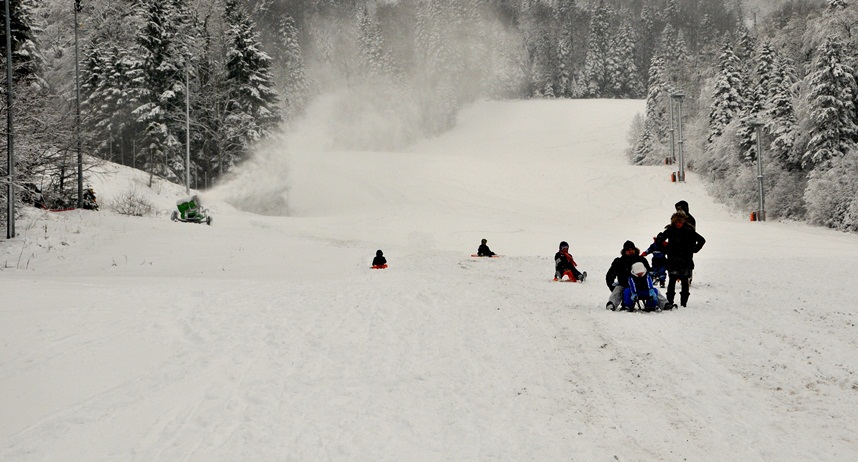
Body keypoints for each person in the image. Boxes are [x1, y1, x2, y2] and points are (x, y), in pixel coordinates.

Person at [605, 240, 669, 311]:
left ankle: (665, 304)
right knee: (618, 289)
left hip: (641, 284)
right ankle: (611, 304)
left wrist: (649, 278)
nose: (630, 251)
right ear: (624, 251)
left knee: (654, 291)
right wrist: (611, 286)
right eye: (628, 250)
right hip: (625, 284)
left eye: (632, 249)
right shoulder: (619, 261)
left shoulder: (641, 260)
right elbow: (610, 275)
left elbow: (648, 272)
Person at [662, 213, 706, 307]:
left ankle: (683, 303)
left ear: (683, 222)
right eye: (676, 222)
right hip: (673, 259)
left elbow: (702, 240)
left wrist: (694, 249)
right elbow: (660, 240)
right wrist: (665, 248)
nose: (678, 224)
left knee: (684, 281)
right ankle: (670, 302)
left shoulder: (689, 231)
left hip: (685, 259)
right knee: (672, 281)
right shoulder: (670, 230)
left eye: (680, 222)